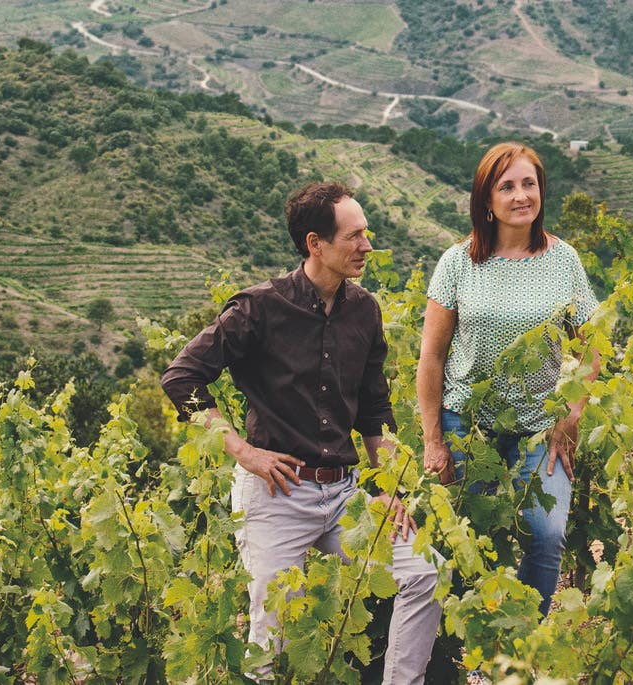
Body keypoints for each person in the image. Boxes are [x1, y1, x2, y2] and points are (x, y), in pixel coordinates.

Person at [161, 182, 442, 684]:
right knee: (271, 636)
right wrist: (244, 452)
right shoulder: (259, 308)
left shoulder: (364, 309)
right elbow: (181, 377)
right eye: (354, 236)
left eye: (366, 234)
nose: (367, 246)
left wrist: (390, 490)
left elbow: (375, 411)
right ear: (316, 244)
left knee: (423, 573)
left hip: (345, 495)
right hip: (276, 493)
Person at [417, 142, 599, 617]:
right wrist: (434, 439)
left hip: (543, 426)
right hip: (467, 425)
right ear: (486, 200)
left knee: (546, 532)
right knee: (470, 540)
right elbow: (432, 359)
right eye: (507, 186)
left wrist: (571, 414)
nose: (521, 196)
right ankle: (473, 654)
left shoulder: (564, 261)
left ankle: (522, 645)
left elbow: (590, 348)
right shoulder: (457, 263)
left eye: (529, 184)